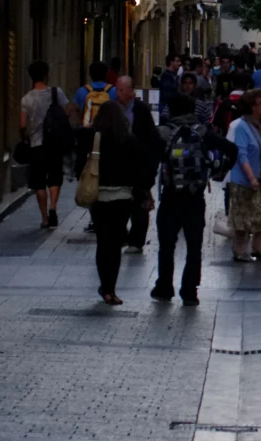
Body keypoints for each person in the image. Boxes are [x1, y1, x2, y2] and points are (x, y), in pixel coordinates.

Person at [150, 73, 226, 304]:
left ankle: (165, 286)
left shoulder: (163, 134)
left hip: (171, 195)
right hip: (195, 197)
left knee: (166, 245)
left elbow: (149, 158)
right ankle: (190, 291)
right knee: (194, 247)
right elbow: (230, 149)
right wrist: (217, 170)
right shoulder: (203, 133)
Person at [85, 77, 141, 305]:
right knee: (116, 242)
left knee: (102, 241)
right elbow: (138, 168)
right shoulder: (129, 140)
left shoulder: (94, 138)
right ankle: (111, 288)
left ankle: (104, 285)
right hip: (122, 197)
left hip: (99, 197)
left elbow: (80, 156)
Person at [228, 88, 261, 263]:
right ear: (251, 106)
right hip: (244, 181)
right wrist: (251, 178)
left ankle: (260, 248)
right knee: (243, 219)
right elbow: (241, 154)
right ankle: (240, 251)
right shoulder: (242, 126)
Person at [19, 61, 73, 230]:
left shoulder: (26, 99)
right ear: (45, 75)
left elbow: (22, 124)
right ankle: (53, 208)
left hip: (36, 145)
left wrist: (26, 135)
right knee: (55, 177)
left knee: (39, 182)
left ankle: (44, 218)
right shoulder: (57, 93)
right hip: (54, 144)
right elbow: (68, 111)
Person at [121, 75, 162, 253]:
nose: (119, 93)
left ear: (132, 92)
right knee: (120, 204)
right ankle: (123, 236)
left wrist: (150, 169)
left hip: (139, 166)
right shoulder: (113, 108)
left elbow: (152, 140)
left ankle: (137, 241)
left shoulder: (141, 110)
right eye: (118, 89)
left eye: (122, 90)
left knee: (139, 204)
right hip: (119, 166)